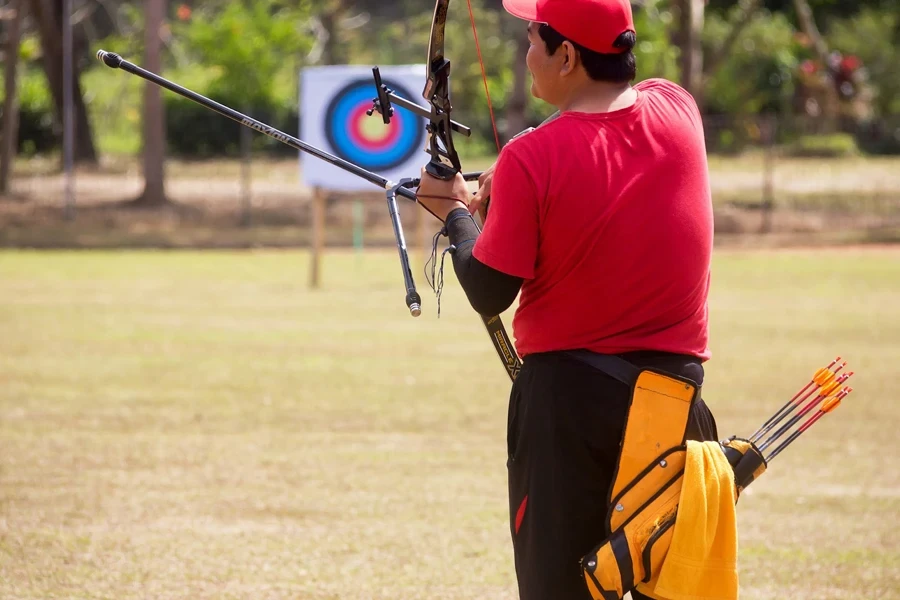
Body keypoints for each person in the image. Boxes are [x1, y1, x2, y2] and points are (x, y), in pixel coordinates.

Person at [415, 0, 720, 598]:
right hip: (675, 401)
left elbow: (489, 288)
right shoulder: (678, 109)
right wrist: (509, 188)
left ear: (568, 54)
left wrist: (453, 213)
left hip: (572, 415)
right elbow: (605, 167)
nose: (528, 55)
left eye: (533, 40)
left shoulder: (533, 158)